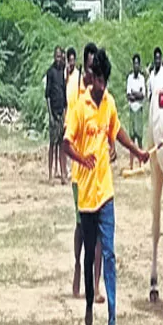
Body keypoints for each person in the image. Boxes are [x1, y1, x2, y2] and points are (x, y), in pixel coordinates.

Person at [63, 48, 150, 325]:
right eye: (98, 80)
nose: (101, 86)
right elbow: (66, 142)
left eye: (105, 81)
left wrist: (137, 150)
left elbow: (117, 131)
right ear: (92, 78)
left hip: (106, 192)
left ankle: (112, 319)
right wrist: (80, 158)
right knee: (90, 256)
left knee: (109, 254)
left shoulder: (109, 103)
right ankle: (89, 305)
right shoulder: (80, 106)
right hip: (85, 194)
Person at [67, 42, 108, 303]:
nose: (94, 76)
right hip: (79, 175)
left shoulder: (102, 94)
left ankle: (96, 284)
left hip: (100, 177)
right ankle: (77, 265)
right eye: (91, 68)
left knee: (101, 233)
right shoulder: (76, 90)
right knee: (83, 227)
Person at [45, 46, 68, 185]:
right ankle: (50, 174)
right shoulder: (50, 72)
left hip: (61, 113)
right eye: (57, 56)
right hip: (53, 113)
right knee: (52, 145)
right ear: (54, 56)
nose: (58, 59)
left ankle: (62, 174)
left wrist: (65, 114)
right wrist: (50, 115)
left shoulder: (62, 73)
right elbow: (47, 96)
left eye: (60, 56)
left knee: (61, 145)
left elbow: (65, 95)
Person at [126, 53, 146, 170]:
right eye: (135, 63)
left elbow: (142, 95)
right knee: (131, 138)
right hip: (132, 109)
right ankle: (131, 164)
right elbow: (129, 96)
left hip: (138, 109)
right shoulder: (129, 78)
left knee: (139, 137)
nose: (136, 66)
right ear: (133, 65)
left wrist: (135, 94)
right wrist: (136, 94)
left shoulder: (142, 78)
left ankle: (141, 163)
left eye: (138, 63)